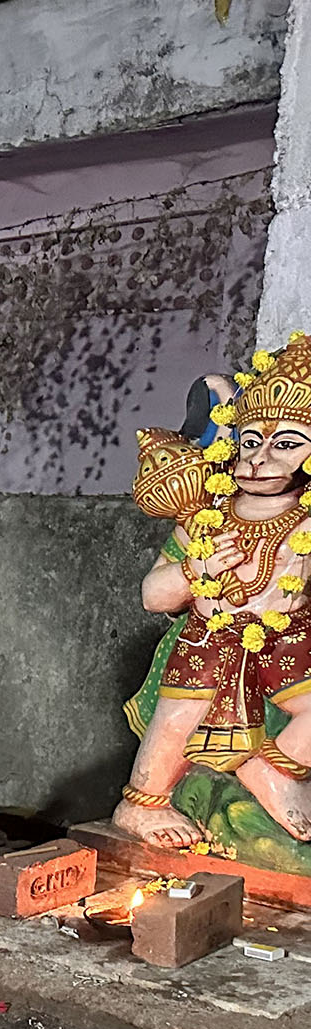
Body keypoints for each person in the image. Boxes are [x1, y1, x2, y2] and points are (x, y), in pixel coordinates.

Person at [116, 333, 311, 846]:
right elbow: (153, 596)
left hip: (289, 645)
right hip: (208, 642)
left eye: (286, 443)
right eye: (250, 442)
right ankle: (141, 805)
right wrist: (193, 573)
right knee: (178, 719)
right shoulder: (206, 515)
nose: (260, 458)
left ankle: (272, 770)